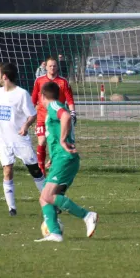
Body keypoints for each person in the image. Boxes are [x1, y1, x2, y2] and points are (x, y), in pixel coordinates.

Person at [35, 81, 98, 242]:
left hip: (66, 158)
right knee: (45, 198)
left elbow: (66, 116)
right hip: (61, 159)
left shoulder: (54, 106)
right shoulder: (53, 108)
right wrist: (53, 158)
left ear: (42, 96)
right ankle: (55, 234)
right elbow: (55, 137)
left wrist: (63, 141)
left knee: (48, 195)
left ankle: (87, 215)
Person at [0, 62, 46, 216]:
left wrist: (25, 126)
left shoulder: (22, 94)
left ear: (4, 76)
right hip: (2, 140)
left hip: (19, 140)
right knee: (7, 170)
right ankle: (12, 208)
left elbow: (33, 114)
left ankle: (50, 200)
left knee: (35, 171)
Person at [31, 57, 76, 176]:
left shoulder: (63, 82)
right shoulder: (39, 81)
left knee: (56, 142)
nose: (52, 68)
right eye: (50, 66)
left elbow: (69, 99)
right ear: (46, 67)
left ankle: (55, 163)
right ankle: (41, 168)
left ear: (57, 67)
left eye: (54, 66)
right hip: (41, 116)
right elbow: (33, 99)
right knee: (42, 141)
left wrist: (73, 113)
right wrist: (29, 115)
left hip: (56, 118)